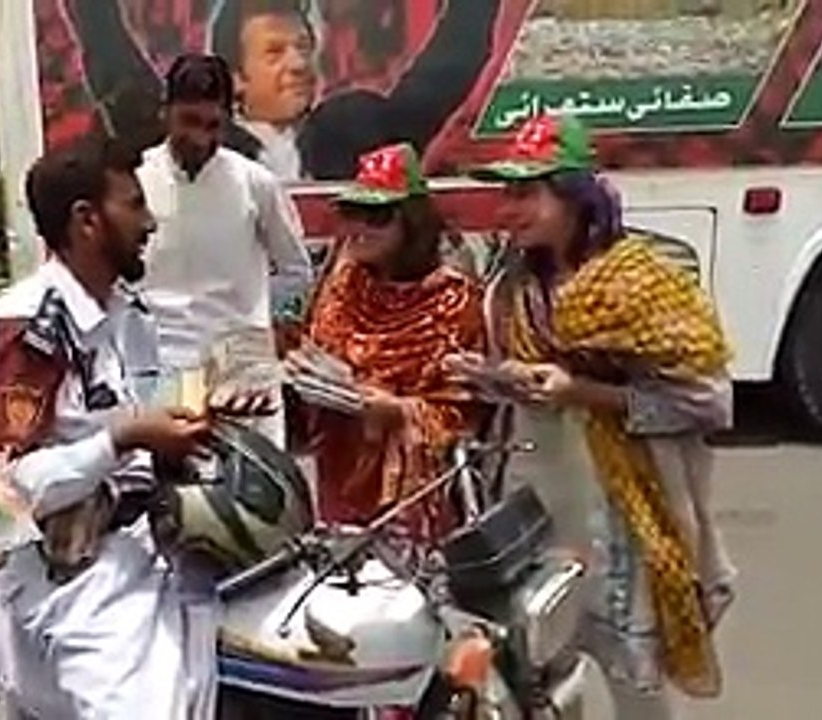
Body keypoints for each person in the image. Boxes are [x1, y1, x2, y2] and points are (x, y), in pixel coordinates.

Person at [445, 114, 737, 719]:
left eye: (527, 193)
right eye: (508, 193)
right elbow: (531, 392)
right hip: (539, 505)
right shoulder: (517, 287)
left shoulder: (639, 281)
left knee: (633, 673)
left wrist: (581, 392)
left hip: (621, 506)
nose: (509, 209)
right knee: (541, 659)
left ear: (576, 197)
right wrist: (494, 380)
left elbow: (710, 403)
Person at [0, 135, 265, 719]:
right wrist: (123, 440)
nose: (150, 222)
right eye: (133, 205)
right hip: (78, 582)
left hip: (150, 554)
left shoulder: (128, 315)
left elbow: (144, 416)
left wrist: (204, 413)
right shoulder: (31, 325)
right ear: (87, 221)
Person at [289, 142, 485, 542]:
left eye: (375, 216)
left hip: (413, 492)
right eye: (351, 213)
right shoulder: (345, 280)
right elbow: (316, 350)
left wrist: (394, 410)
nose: (357, 228)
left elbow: (464, 413)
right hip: (341, 470)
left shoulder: (452, 298)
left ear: (411, 222)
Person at [65, 0, 499, 180]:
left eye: (303, 48)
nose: (297, 63)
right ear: (235, 75)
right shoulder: (193, 144)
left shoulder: (358, 129)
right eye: (274, 53)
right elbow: (113, 63)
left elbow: (448, 69)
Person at [136, 53, 312, 442]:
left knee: (254, 490)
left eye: (213, 125)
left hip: (242, 367)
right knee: (176, 491)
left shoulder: (256, 183)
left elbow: (296, 270)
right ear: (165, 113)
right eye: (189, 122)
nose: (201, 138)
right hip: (166, 364)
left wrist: (270, 325)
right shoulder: (137, 181)